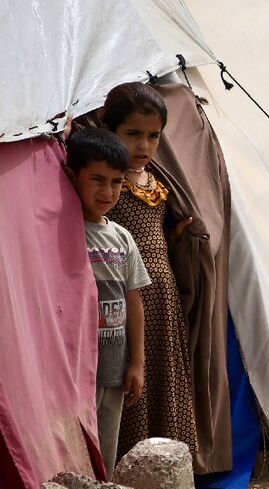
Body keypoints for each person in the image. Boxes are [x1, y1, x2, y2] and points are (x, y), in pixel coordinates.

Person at [100, 82, 199, 458]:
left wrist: (175, 240)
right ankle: (129, 467)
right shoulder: (106, 184)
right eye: (133, 134)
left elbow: (153, 239)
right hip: (124, 301)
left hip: (163, 298)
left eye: (153, 136)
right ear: (111, 130)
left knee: (163, 382)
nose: (143, 146)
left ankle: (167, 468)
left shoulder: (158, 182)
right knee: (129, 384)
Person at [65, 128, 151, 479]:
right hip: (73, 370)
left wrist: (138, 364)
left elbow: (134, 303)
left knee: (105, 450)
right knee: (72, 451)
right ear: (73, 176)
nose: (107, 192)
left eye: (116, 182)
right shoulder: (64, 231)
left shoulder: (122, 238)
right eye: (97, 179)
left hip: (113, 369)